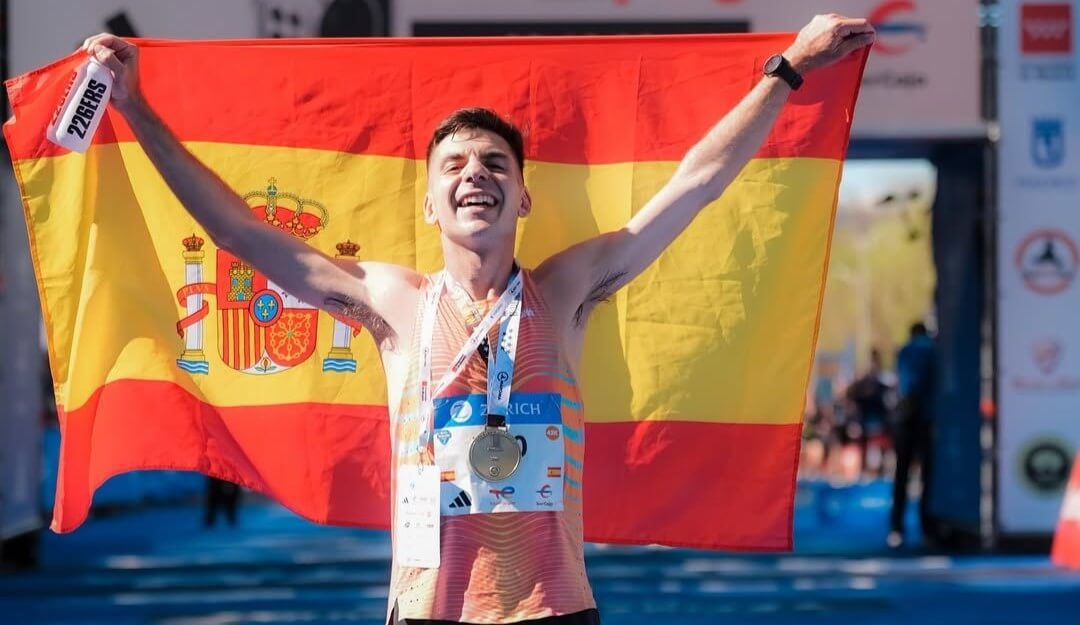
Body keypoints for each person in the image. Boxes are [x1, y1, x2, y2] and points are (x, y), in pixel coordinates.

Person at [81, 16, 874, 625]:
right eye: (455, 165)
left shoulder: (565, 290)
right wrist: (136, 108)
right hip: (428, 609)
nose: (476, 176)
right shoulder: (393, 304)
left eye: (496, 164)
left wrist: (790, 67)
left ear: (524, 197)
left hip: (554, 609)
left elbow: (695, 185)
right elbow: (239, 234)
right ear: (428, 203)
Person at [888, 322, 936, 549]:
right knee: (929, 477)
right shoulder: (933, 350)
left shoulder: (906, 351)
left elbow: (905, 384)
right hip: (929, 419)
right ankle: (929, 528)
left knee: (902, 475)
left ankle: (897, 528)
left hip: (907, 419)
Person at [846, 348, 894, 477]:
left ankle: (879, 471)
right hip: (868, 420)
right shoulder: (865, 381)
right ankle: (866, 471)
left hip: (878, 420)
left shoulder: (883, 381)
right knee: (867, 447)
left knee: (879, 447)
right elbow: (852, 395)